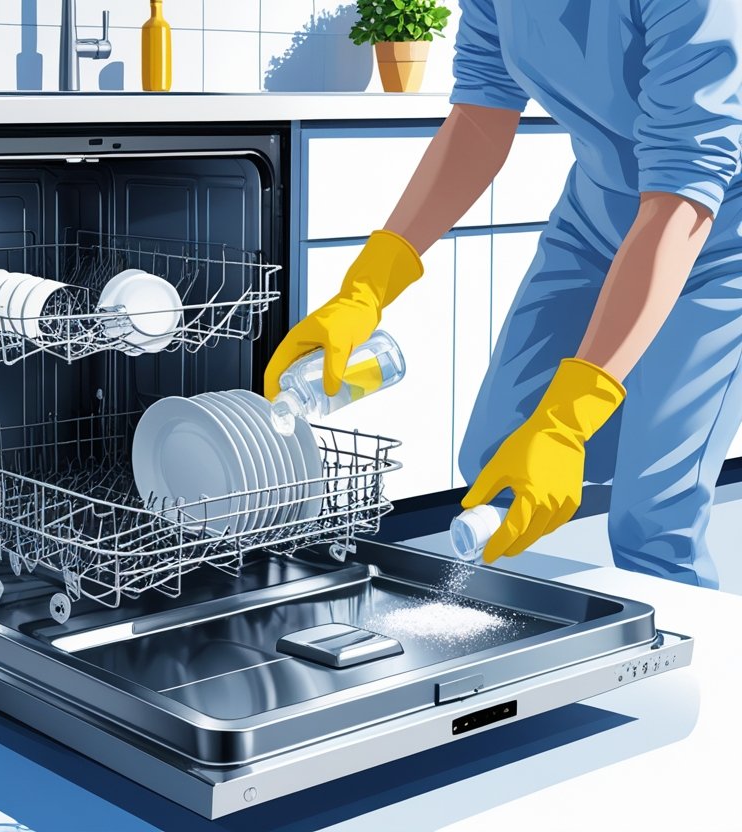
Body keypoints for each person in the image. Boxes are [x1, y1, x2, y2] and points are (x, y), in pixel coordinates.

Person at [266, 0, 742, 588]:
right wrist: (366, 288)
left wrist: (567, 419)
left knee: (653, 518)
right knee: (496, 459)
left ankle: (679, 639)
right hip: (594, 222)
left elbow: (686, 183)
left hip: (715, 238)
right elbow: (480, 117)